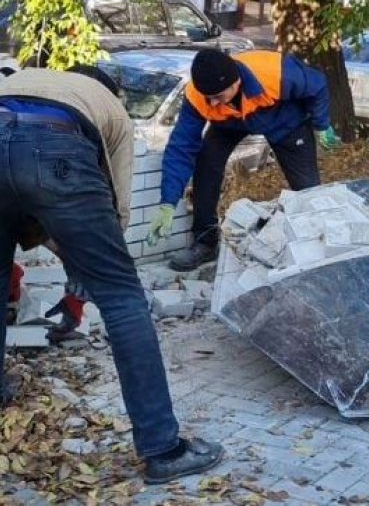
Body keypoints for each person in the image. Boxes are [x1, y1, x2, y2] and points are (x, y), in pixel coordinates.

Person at [0, 66, 222, 484]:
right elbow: (114, 215)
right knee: (123, 298)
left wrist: (70, 266)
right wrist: (90, 277)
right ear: (109, 93)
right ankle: (164, 449)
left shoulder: (24, 78)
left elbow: (19, 191)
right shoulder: (112, 110)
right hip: (54, 146)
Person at [146, 49, 340, 271]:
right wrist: (168, 202)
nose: (213, 102)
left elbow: (317, 85)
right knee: (205, 168)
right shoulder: (199, 96)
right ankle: (205, 242)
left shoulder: (275, 72)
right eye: (209, 97)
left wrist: (321, 124)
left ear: (236, 82)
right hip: (227, 124)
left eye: (218, 95)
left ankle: (315, 246)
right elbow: (181, 146)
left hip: (283, 118)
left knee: (307, 187)